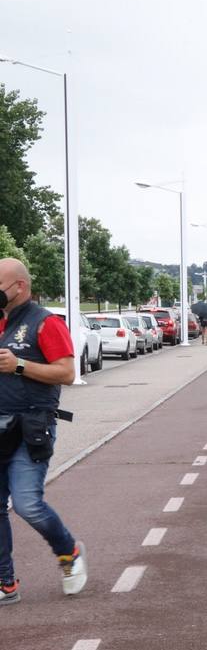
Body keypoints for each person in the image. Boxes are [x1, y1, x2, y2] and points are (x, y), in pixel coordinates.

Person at [0, 258, 86, 605]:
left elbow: (67, 372)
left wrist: (19, 365)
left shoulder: (45, 322)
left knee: (27, 504)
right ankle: (5, 581)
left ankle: (69, 552)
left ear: (19, 287)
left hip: (31, 426)